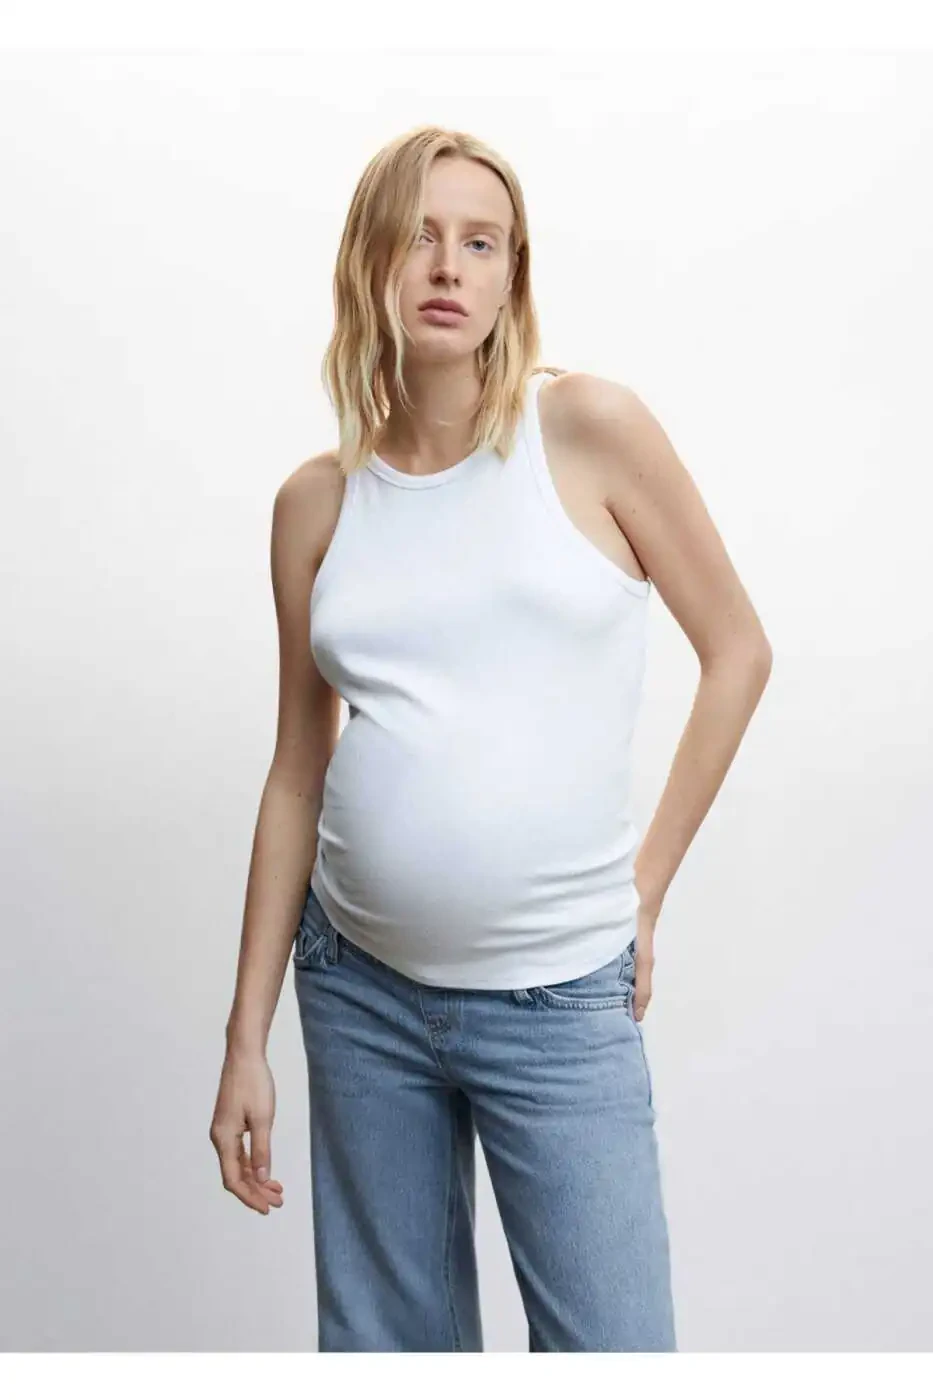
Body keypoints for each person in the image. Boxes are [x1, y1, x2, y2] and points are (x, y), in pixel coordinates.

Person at [209, 125, 772, 1352]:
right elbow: (297, 772)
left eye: (480, 243)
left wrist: (645, 890)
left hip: (558, 994)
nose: (446, 267)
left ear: (514, 273)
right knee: (389, 1355)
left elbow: (739, 650)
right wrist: (246, 1034)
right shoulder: (316, 504)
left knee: (614, 1352)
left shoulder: (589, 432)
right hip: (360, 991)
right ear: (368, 260)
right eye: (417, 236)